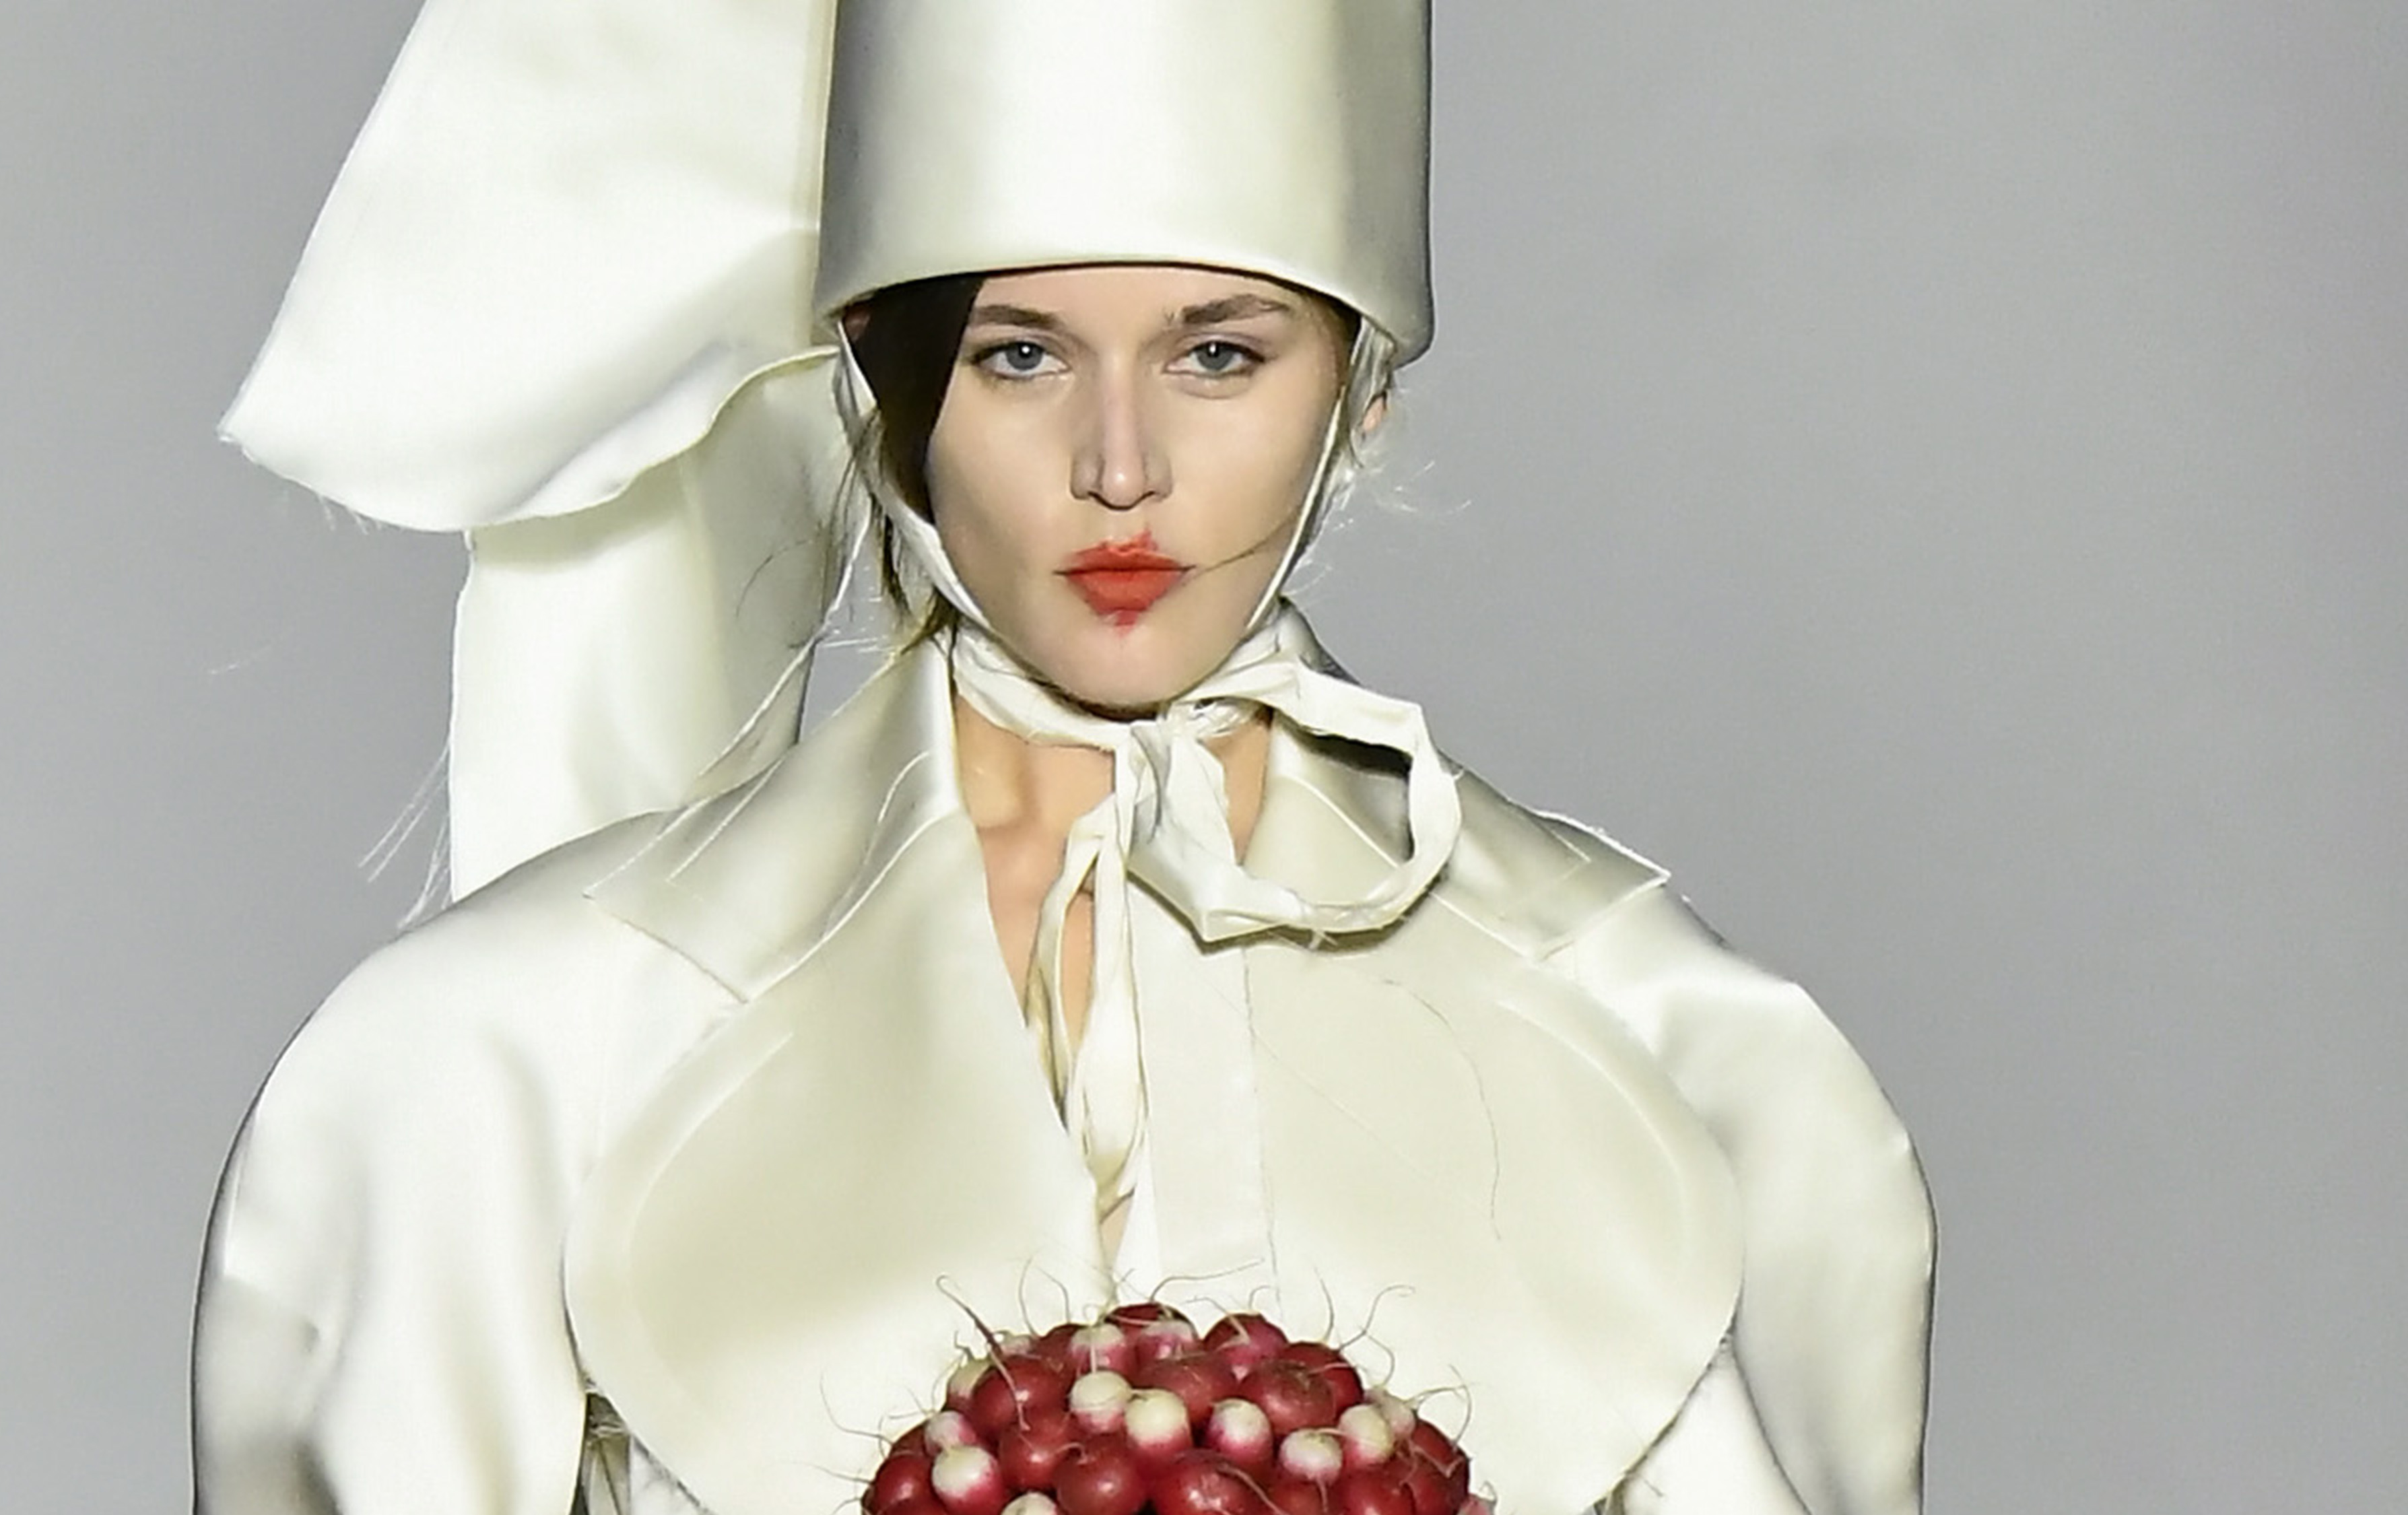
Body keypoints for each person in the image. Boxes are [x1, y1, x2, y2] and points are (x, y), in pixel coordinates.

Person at [192, 3, 1935, 1513]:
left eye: (1221, 354)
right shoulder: (499, 1064)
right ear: (883, 382)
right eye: (1021, 355)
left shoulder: (1679, 1057)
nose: (1122, 465)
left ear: (1363, 384)